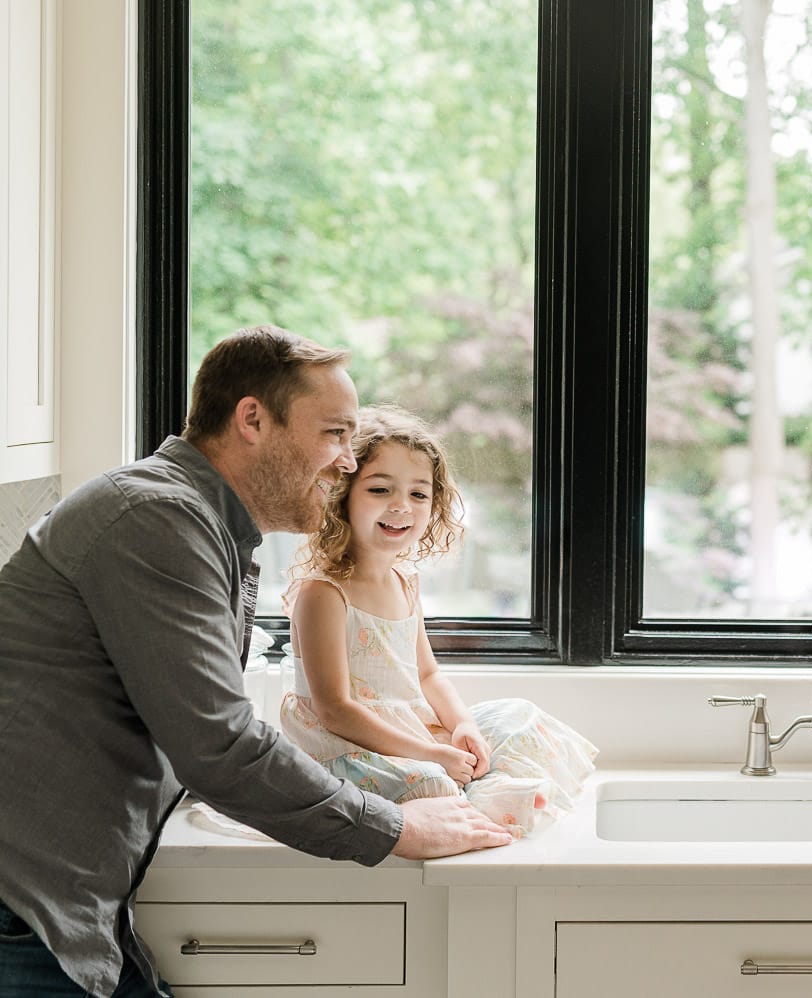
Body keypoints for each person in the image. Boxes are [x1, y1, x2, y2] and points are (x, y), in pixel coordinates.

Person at [0, 327, 513, 998]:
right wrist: (393, 827)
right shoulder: (156, 520)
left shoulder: (194, 523)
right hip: (22, 903)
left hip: (62, 900)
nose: (346, 462)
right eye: (335, 434)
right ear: (252, 420)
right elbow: (219, 745)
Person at [278, 405, 597, 837]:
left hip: (410, 729)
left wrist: (462, 724)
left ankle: (488, 793)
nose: (401, 506)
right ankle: (488, 799)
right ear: (342, 495)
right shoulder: (324, 593)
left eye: (418, 494)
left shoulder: (404, 582)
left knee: (517, 717)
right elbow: (335, 711)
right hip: (347, 747)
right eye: (379, 489)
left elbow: (428, 675)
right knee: (430, 783)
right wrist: (430, 753)